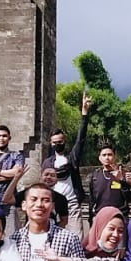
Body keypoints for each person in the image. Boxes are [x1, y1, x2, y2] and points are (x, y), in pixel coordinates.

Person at [47, 94, 93, 227]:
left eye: (60, 141)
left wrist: (84, 114)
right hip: (54, 204)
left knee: (76, 236)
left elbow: (81, 140)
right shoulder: (48, 163)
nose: (57, 144)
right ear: (51, 143)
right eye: (55, 142)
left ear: (64, 141)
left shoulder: (72, 159)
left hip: (72, 202)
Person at [86, 144, 131, 215]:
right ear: (99, 158)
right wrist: (91, 218)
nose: (107, 158)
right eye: (104, 155)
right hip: (100, 215)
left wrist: (121, 180)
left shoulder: (123, 174)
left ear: (115, 157)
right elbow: (92, 199)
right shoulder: (95, 176)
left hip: (119, 216)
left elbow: (130, 197)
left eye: (109, 155)